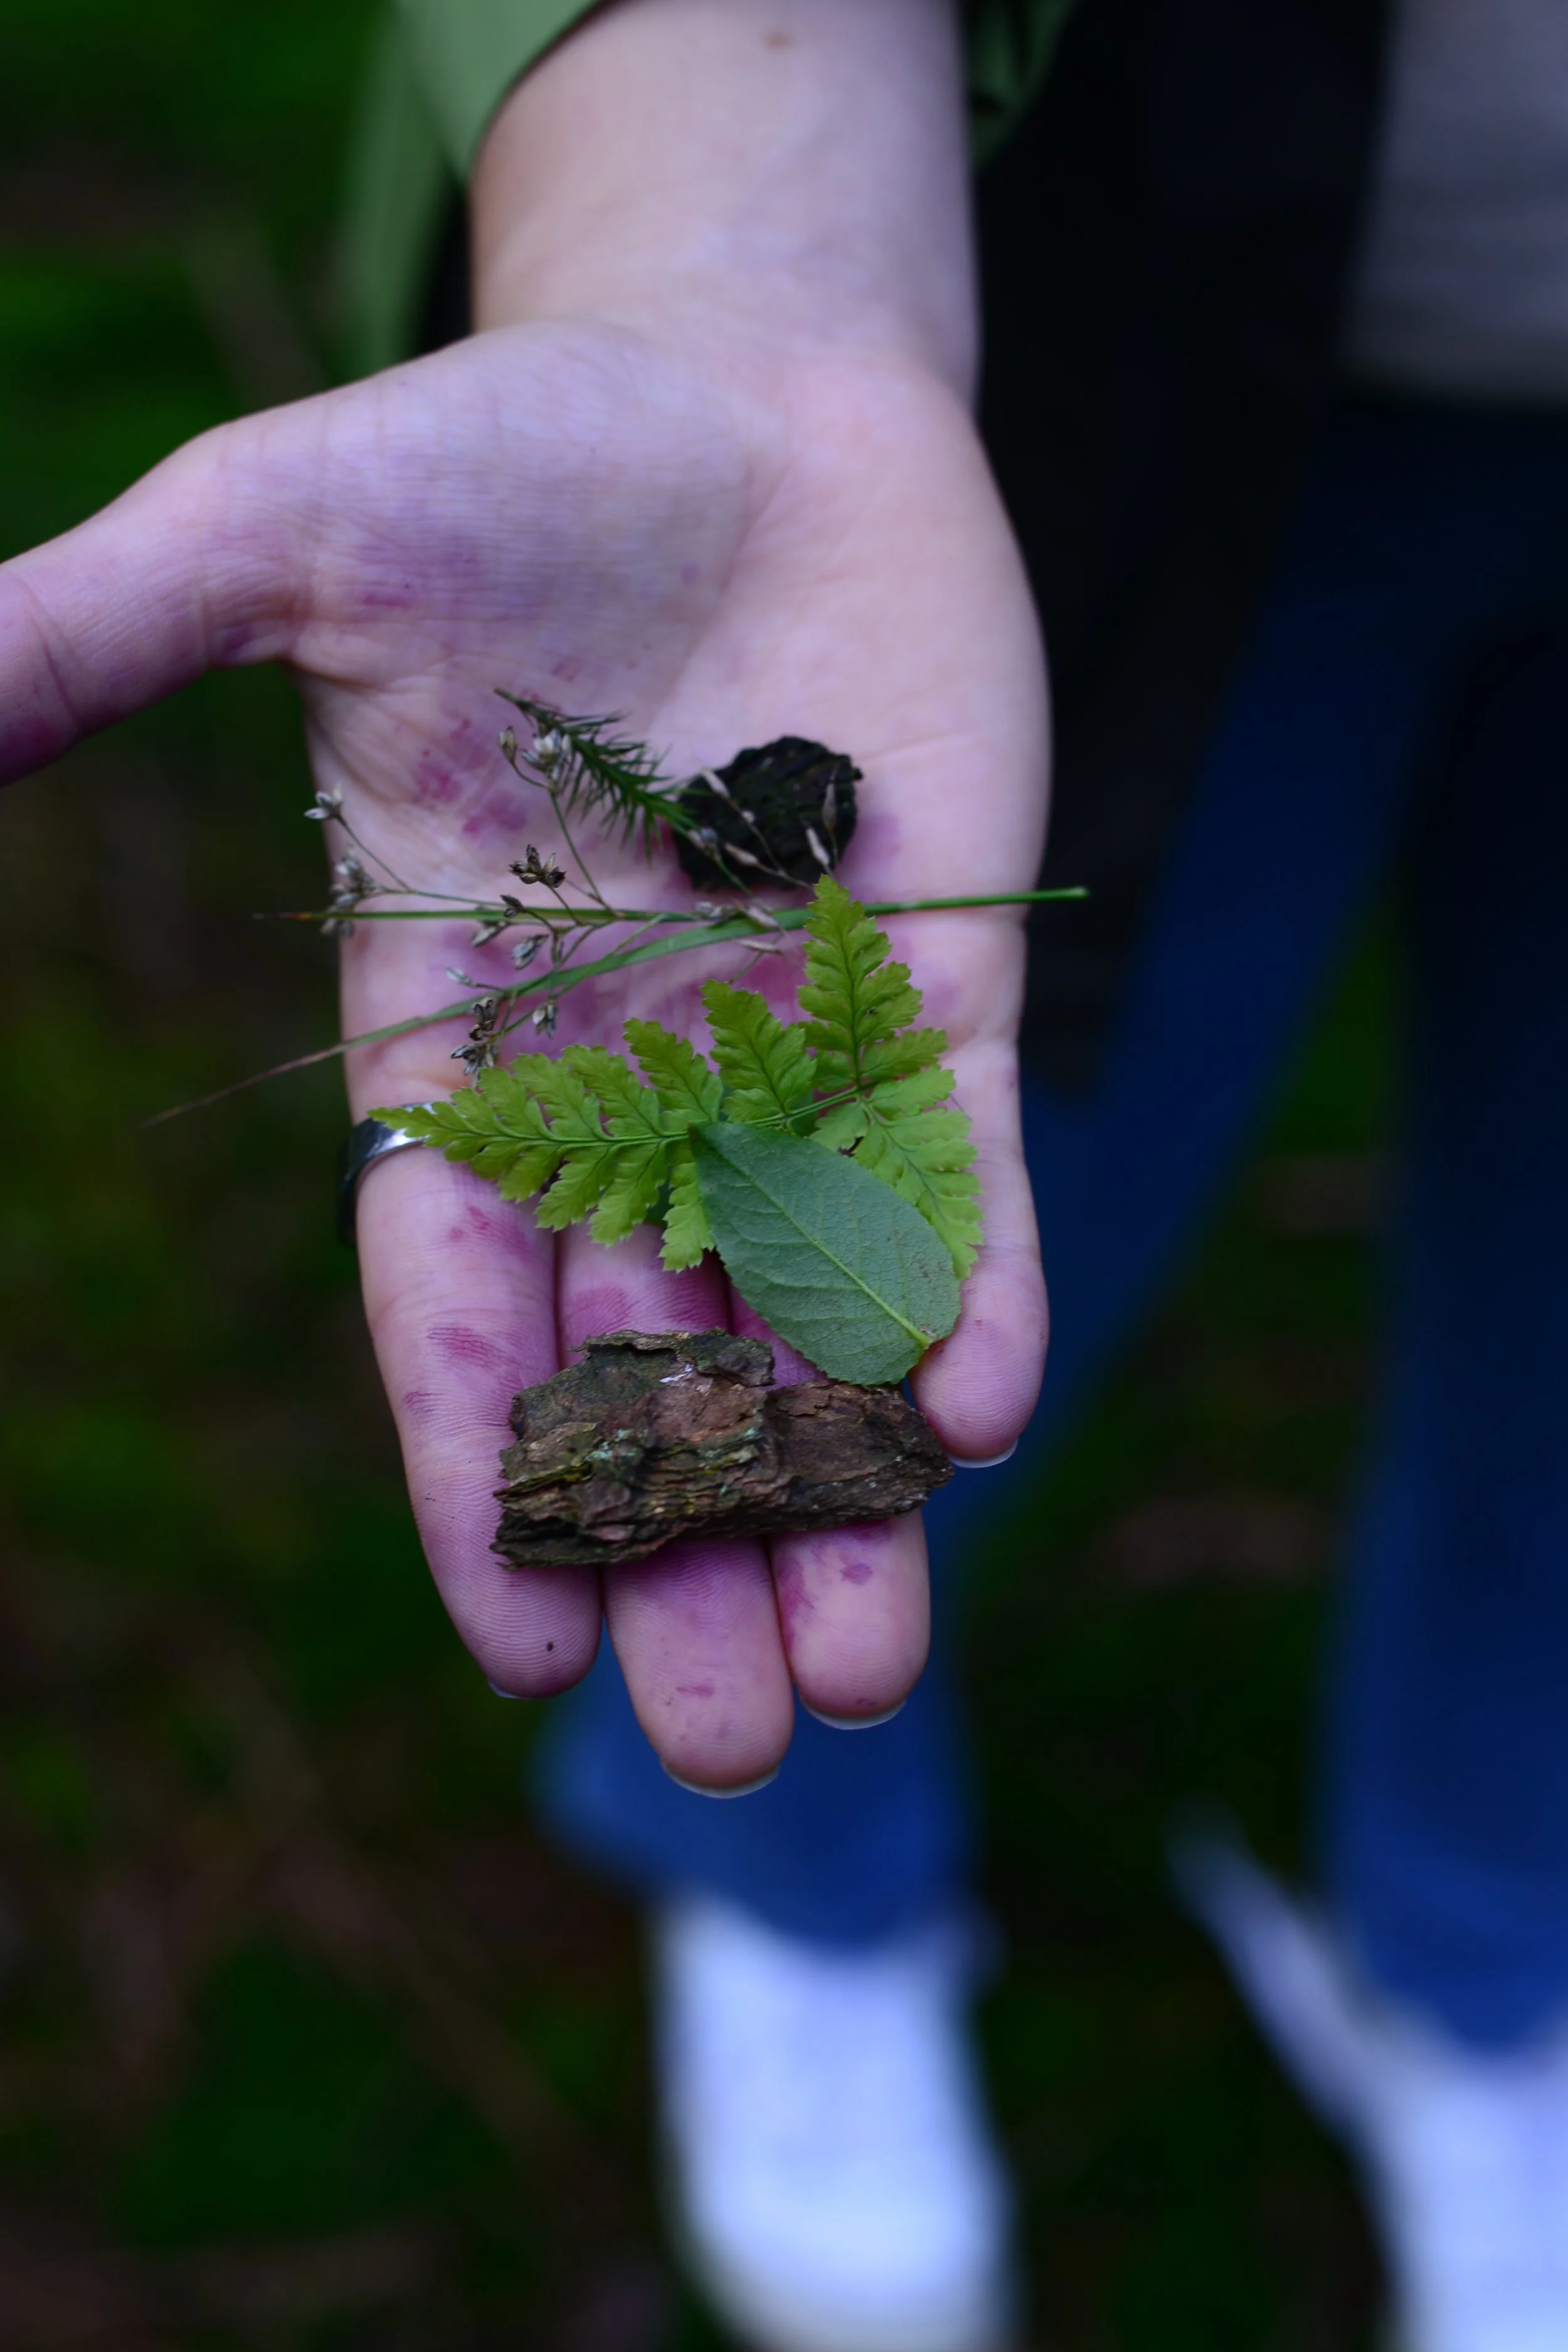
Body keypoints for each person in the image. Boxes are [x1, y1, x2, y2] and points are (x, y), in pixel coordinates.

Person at [6, 3, 1568, 2348]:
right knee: (1009, 1208)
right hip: (1110, 311)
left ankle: (1497, 1950)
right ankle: (792, 1871)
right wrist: (714, 213)